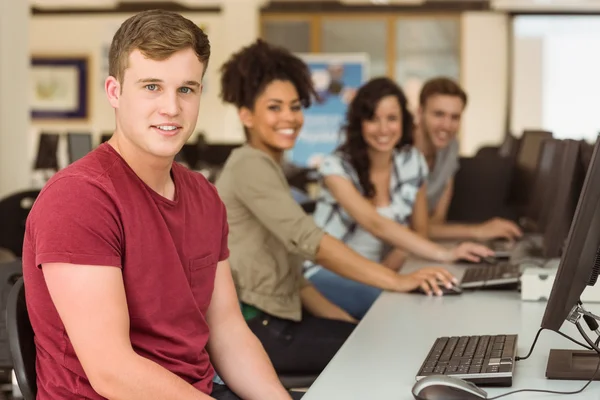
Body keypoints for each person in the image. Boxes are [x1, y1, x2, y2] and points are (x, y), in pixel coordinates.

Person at [22, 10, 301, 400]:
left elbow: (227, 330)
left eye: (187, 88)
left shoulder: (204, 195)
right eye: (151, 87)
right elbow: (112, 371)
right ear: (115, 92)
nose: (171, 107)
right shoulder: (79, 199)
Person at [215, 39, 459, 374]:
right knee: (391, 351)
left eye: (296, 106)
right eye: (274, 107)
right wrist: (396, 280)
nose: (289, 117)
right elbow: (311, 242)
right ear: (246, 115)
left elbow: (296, 281)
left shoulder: (269, 167)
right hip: (258, 330)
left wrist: (350, 324)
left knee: (375, 336)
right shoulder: (249, 165)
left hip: (278, 320)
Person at [304, 77, 493, 319]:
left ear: (403, 121)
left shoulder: (411, 161)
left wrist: (399, 267)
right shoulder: (336, 167)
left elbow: (421, 231)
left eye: (392, 119)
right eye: (373, 119)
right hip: (328, 271)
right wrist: (442, 254)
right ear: (359, 123)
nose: (383, 129)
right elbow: (374, 223)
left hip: (377, 271)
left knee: (437, 292)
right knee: (402, 305)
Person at [414, 77, 523, 241]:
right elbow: (414, 229)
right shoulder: (401, 153)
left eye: (455, 117)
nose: (447, 125)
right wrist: (478, 231)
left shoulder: (450, 147)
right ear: (420, 112)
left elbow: (437, 222)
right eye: (438, 114)